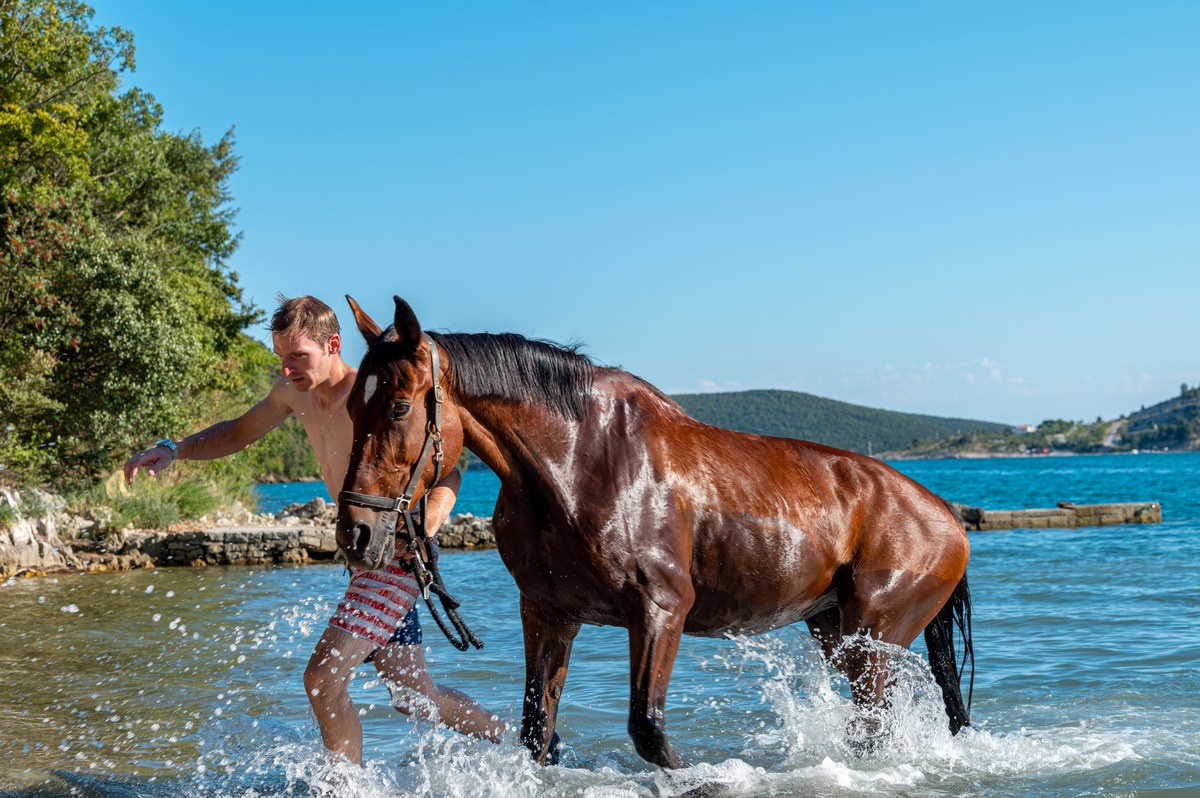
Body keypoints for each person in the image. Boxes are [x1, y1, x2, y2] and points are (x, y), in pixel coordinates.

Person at [123, 295, 504, 764]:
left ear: (333, 344)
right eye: (281, 358)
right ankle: (517, 745)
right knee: (412, 695)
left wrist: (427, 523)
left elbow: (451, 471)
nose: (286, 369)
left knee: (322, 679)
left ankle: (346, 788)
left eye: (297, 356)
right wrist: (174, 448)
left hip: (399, 555)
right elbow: (239, 432)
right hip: (363, 557)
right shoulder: (293, 394)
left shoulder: (373, 391)